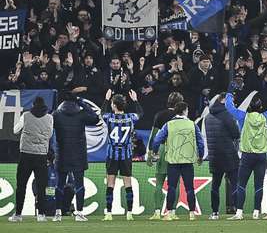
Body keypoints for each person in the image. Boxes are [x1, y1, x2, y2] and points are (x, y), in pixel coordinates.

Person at [226, 79, 267, 220]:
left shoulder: (243, 117)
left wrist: (230, 91)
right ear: (261, 107)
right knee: (258, 185)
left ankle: (239, 212)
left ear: (249, 107)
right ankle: (256, 212)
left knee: (242, 184)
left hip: (247, 156)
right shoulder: (266, 117)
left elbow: (229, 107)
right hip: (262, 156)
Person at [150, 101, 205, 221]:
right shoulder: (192, 124)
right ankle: (191, 213)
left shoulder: (168, 125)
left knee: (172, 187)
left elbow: (157, 139)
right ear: (185, 111)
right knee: (190, 188)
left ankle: (169, 213)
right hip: (188, 161)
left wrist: (154, 152)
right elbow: (200, 142)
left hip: (173, 162)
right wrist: (200, 156)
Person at [52, 91, 100, 222]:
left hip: (62, 154)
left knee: (59, 185)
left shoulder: (56, 114)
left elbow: (49, 127)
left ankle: (57, 213)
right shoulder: (81, 114)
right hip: (78, 155)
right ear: (75, 101)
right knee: (79, 184)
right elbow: (96, 118)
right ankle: (79, 213)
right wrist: (82, 103)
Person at [100, 89, 143, 220]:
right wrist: (135, 100)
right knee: (127, 183)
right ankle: (129, 213)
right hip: (126, 155)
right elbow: (141, 113)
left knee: (110, 183)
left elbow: (101, 113)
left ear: (113, 105)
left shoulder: (109, 117)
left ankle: (108, 213)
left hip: (112, 154)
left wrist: (106, 99)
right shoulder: (130, 117)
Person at [9, 96, 53, 223]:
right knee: (41, 187)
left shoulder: (26, 115)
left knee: (21, 185)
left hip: (26, 155)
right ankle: (41, 214)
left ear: (33, 104)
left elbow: (15, 130)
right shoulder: (50, 118)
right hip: (41, 156)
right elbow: (49, 135)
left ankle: (18, 214)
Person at [148, 91, 184, 219]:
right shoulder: (181, 117)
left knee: (159, 182)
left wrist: (150, 152)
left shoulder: (160, 115)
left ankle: (157, 212)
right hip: (176, 150)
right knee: (175, 183)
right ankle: (172, 213)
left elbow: (154, 136)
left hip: (162, 149)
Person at [204, 94, 240, 220]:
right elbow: (236, 134)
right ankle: (237, 210)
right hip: (229, 154)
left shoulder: (207, 117)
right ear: (223, 100)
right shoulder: (227, 115)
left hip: (214, 156)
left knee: (215, 185)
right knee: (235, 183)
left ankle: (214, 213)